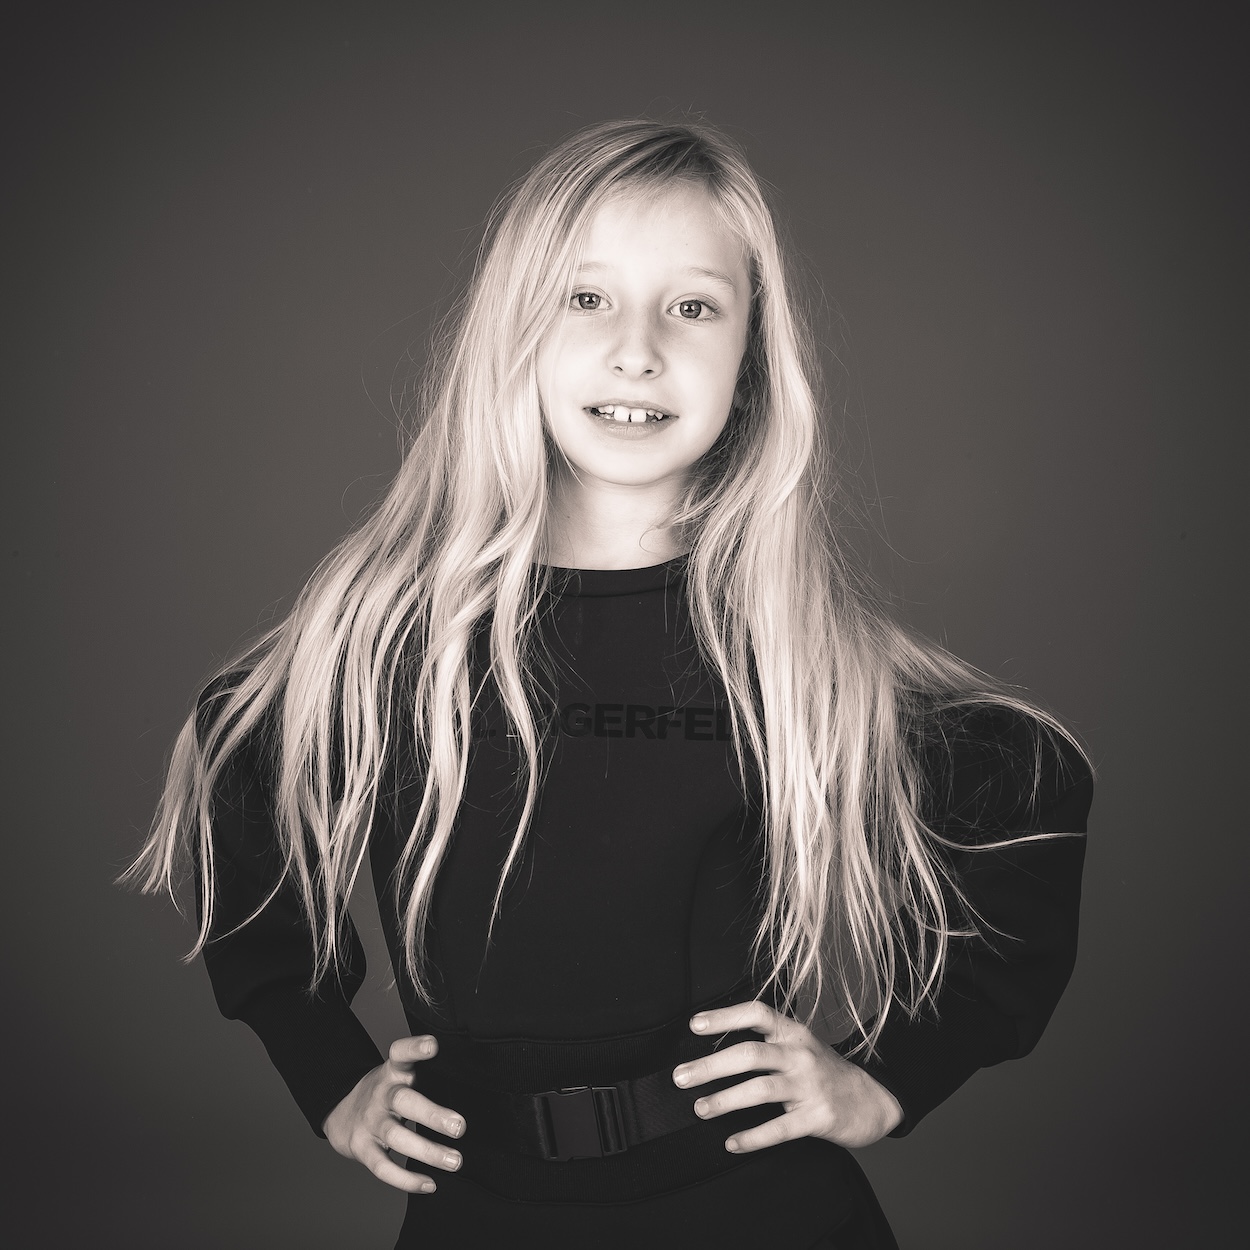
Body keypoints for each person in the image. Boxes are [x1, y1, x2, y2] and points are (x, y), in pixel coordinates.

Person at [123, 118, 1093, 1248]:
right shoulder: (391, 641)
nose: (637, 350)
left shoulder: (794, 651)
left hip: (758, 1213)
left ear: (750, 359)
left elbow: (1028, 780)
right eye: (586, 298)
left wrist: (888, 1079)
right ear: (514, 332)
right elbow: (238, 755)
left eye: (693, 307)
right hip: (479, 1213)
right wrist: (327, 1072)